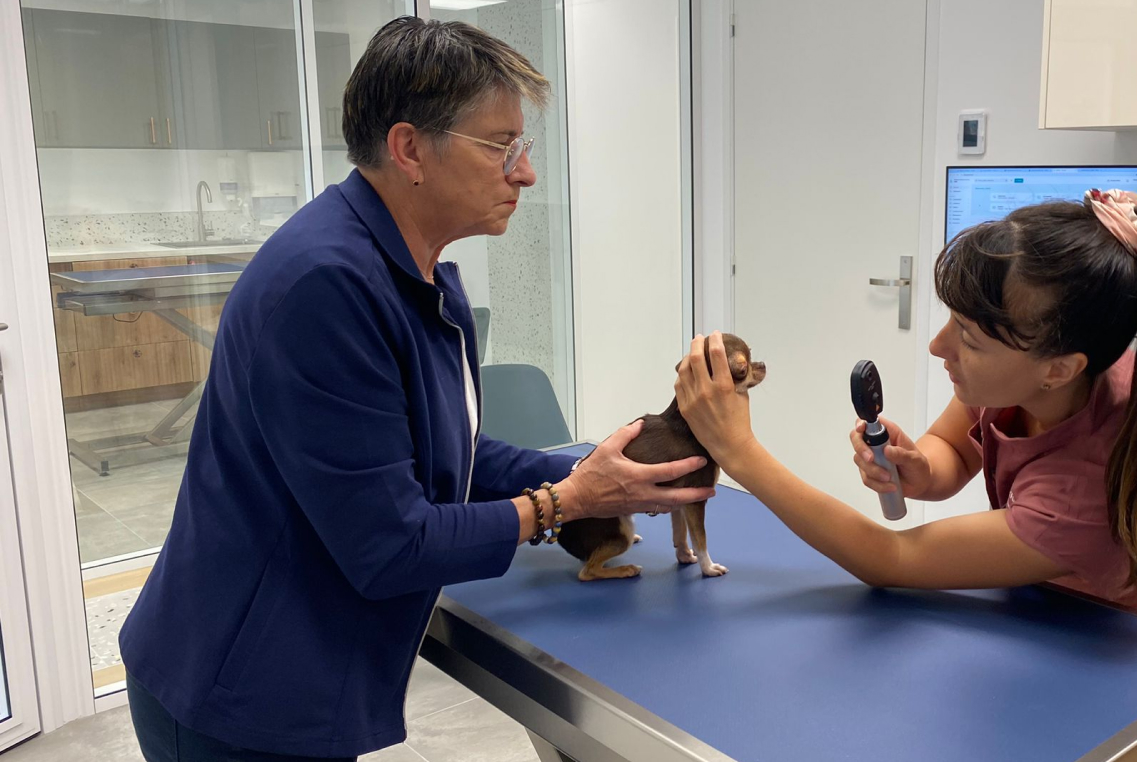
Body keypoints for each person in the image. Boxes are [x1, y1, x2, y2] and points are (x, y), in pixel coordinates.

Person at [119, 18, 712, 762]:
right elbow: (389, 544)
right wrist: (566, 502)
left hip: (294, 671)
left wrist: (593, 471)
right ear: (408, 150)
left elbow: (441, 449)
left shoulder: (414, 271)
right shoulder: (326, 287)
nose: (524, 173)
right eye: (502, 146)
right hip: (237, 696)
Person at [673, 190, 1137, 637]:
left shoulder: (1081, 497)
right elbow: (959, 448)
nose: (938, 346)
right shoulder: (1040, 372)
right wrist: (921, 467)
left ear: (1059, 368)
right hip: (1058, 603)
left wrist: (736, 451)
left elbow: (891, 559)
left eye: (968, 336)